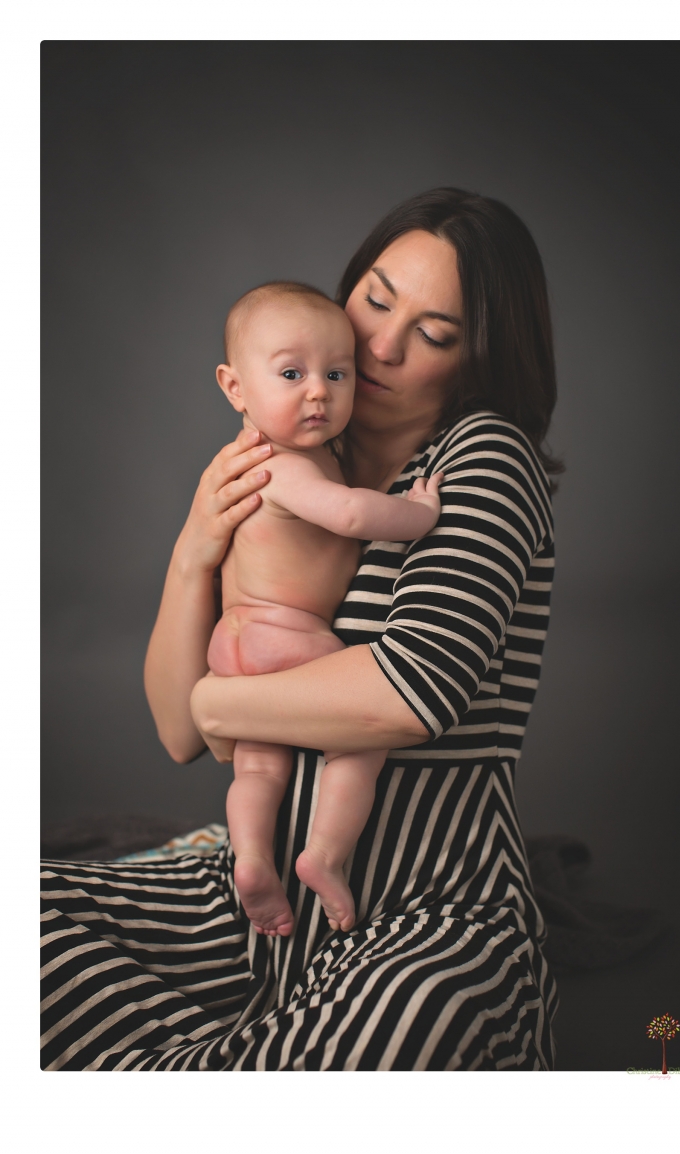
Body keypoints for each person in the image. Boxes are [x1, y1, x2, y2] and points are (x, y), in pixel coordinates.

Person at [41, 187, 560, 1071]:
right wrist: (194, 551)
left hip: (423, 904)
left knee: (407, 1031)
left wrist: (220, 703)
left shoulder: (483, 458)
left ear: (479, 355)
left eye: (435, 333)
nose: (383, 346)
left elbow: (410, 692)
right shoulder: (299, 448)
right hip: (260, 906)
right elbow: (177, 733)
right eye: (376, 301)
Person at [206, 280, 443, 936]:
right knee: (363, 740)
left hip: (232, 640)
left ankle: (252, 859)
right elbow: (349, 514)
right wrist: (418, 514)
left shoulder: (248, 458)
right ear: (235, 387)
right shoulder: (284, 465)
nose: (319, 392)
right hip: (287, 633)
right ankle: (325, 855)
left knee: (258, 766)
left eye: (337, 374)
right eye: (292, 374)